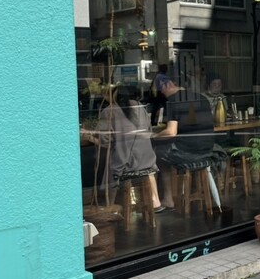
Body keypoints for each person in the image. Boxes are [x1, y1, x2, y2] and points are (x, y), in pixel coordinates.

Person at [153, 79, 225, 210]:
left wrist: (153, 137)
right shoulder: (201, 98)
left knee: (158, 152)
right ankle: (191, 189)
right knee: (167, 149)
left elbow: (171, 132)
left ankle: (168, 199)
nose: (161, 93)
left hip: (188, 154)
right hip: (208, 151)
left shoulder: (173, 101)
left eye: (161, 89)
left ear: (168, 84)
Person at [96, 84, 166, 212]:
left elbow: (105, 140)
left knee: (111, 165)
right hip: (147, 160)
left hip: (127, 163)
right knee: (147, 170)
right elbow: (149, 129)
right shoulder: (140, 107)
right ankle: (155, 202)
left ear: (112, 96)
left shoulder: (109, 110)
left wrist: (91, 137)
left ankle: (110, 205)